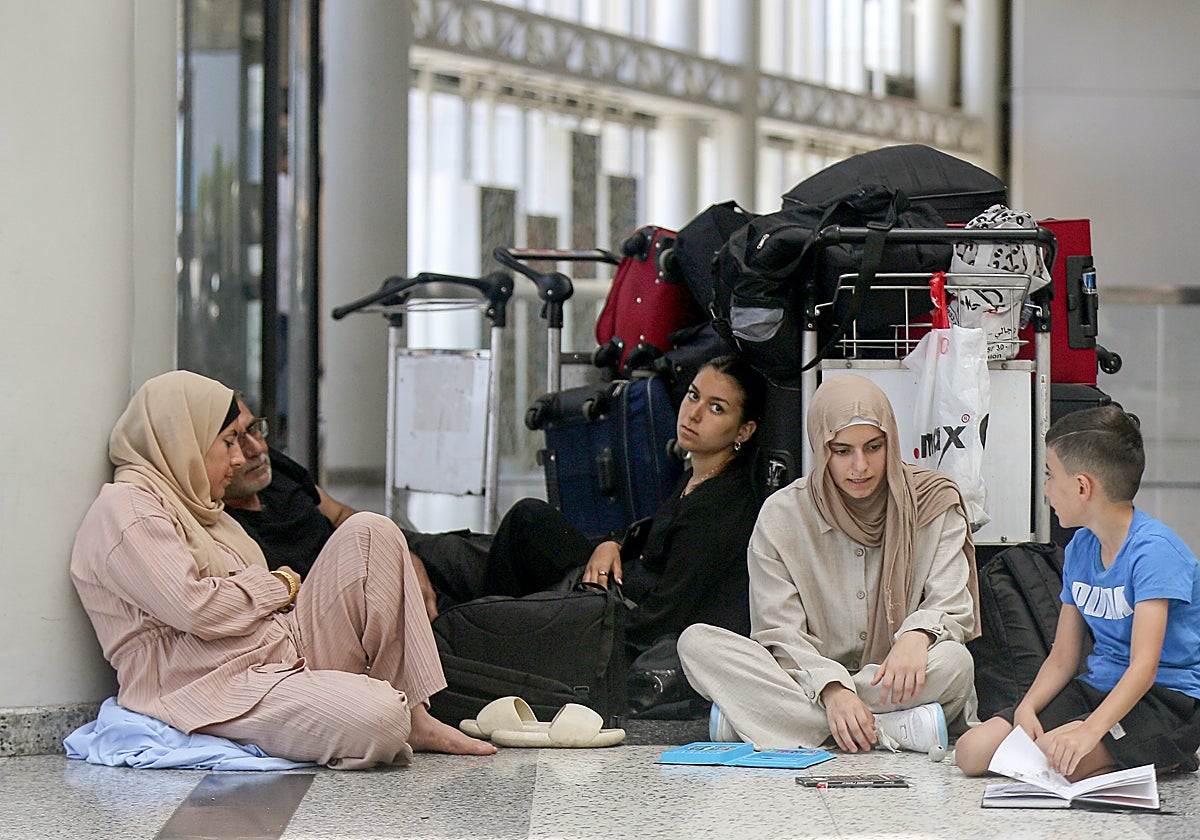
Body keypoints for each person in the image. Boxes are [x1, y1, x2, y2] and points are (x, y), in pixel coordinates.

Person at [70, 370, 496, 769]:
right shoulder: (129, 511)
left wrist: (278, 592)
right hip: (214, 686)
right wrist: (280, 583)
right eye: (228, 441)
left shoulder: (199, 506)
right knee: (382, 718)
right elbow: (195, 608)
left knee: (372, 531)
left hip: (278, 649)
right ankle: (388, 711)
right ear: (186, 441)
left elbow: (240, 598)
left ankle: (416, 715)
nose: (240, 459)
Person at [677, 374, 980, 755]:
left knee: (955, 663)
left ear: (892, 440)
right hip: (808, 677)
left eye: (874, 447)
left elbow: (952, 605)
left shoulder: (933, 503)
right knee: (697, 644)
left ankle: (766, 720)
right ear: (821, 449)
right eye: (842, 451)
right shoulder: (783, 515)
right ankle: (891, 729)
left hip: (894, 675)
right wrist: (833, 690)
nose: (860, 466)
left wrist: (917, 636)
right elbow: (779, 632)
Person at [955, 405, 1200, 779]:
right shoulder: (1080, 548)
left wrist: (1089, 730)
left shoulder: (1155, 553)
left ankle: (1170, 752)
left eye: (1051, 476)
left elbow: (1144, 668)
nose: (1047, 489)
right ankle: (1110, 743)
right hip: (1097, 687)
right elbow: (1062, 657)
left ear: (1083, 487)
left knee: (1051, 765)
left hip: (1166, 700)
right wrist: (1027, 707)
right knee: (973, 752)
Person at [474, 354, 768, 650]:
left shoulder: (721, 507)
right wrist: (613, 546)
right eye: (693, 396)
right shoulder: (697, 476)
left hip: (623, 625)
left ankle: (482, 637)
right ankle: (479, 625)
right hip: (620, 583)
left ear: (744, 430)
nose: (694, 413)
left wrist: (576, 626)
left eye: (716, 408)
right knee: (528, 521)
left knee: (524, 528)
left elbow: (661, 619)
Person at [221, 401, 443, 620]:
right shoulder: (223, 529)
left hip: (381, 550)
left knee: (469, 557)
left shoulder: (273, 468)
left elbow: (340, 515)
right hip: (351, 602)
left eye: (254, 430)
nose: (257, 448)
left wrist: (402, 555)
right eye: (234, 441)